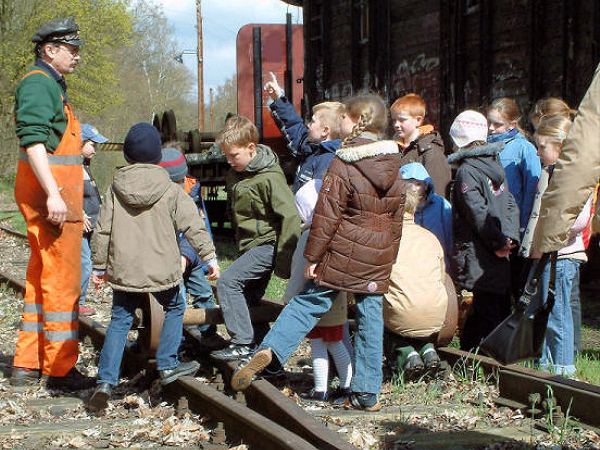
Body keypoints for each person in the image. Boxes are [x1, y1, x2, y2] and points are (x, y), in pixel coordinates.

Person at [231, 94, 406, 412]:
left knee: (308, 303)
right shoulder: (395, 165)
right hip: (377, 256)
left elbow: (326, 216)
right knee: (370, 320)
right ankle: (367, 393)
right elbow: (396, 220)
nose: (340, 120)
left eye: (344, 117)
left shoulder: (344, 162)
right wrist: (389, 257)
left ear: (355, 121)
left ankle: (271, 351)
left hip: (341, 251)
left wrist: (312, 257)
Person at [87, 123, 219, 411]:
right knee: (175, 307)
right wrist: (209, 257)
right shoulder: (170, 189)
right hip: (162, 269)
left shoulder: (114, 189)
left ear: (128, 156)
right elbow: (193, 225)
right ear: (158, 155)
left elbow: (102, 230)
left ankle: (105, 382)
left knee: (119, 321)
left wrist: (98, 267)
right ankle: (168, 364)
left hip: (125, 270)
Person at [11, 17, 93, 390]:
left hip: (53, 197)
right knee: (62, 283)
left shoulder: (48, 85)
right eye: (71, 49)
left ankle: (27, 364)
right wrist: (53, 194)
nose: (77, 56)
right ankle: (60, 369)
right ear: (50, 50)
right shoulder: (39, 84)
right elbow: (33, 142)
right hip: (54, 201)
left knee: (40, 279)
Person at [209, 115, 301, 362]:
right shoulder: (235, 174)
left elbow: (290, 217)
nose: (229, 161)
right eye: (226, 156)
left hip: (267, 246)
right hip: (249, 246)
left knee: (228, 283)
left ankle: (241, 342)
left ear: (251, 148)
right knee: (248, 301)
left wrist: (284, 261)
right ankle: (265, 357)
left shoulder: (270, 177)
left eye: (234, 156)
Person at [521, 115, 592, 377]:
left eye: (542, 147)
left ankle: (562, 369)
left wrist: (550, 232)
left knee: (558, 313)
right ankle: (546, 363)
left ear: (560, 148)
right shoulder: (551, 173)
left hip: (563, 255)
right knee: (545, 311)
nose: (537, 152)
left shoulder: (574, 177)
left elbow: (579, 220)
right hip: (548, 255)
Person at [447, 110, 519, 352]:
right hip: (498, 247)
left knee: (488, 309)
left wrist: (499, 243)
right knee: (489, 306)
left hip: (480, 251)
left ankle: (489, 359)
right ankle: (471, 356)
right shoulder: (494, 163)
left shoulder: (467, 171)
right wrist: (509, 238)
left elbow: (477, 212)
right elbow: (510, 203)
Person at [284, 179, 352, 402]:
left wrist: (289, 297)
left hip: (315, 299)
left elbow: (299, 270)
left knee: (322, 343)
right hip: (337, 297)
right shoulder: (340, 232)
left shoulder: (309, 236)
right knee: (333, 342)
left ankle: (334, 387)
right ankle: (337, 386)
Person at [383, 186, 457, 380]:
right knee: (414, 306)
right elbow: (441, 277)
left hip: (400, 317)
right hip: (435, 316)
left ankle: (404, 351)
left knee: (377, 304)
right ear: (414, 209)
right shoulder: (431, 238)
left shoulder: (386, 239)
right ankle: (427, 349)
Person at [159, 146, 220, 348]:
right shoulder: (157, 199)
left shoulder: (190, 194)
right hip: (168, 258)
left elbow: (197, 229)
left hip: (191, 254)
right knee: (178, 299)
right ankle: (177, 340)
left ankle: (209, 333)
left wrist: (206, 257)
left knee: (203, 293)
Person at [264, 71, 344, 193]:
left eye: (312, 121)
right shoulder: (313, 148)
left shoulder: (327, 162)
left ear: (325, 131)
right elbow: (295, 127)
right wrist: (278, 98)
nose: (308, 125)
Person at [487, 97, 541, 237]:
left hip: (512, 224)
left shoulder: (524, 148)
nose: (491, 128)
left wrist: (523, 226)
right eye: (489, 122)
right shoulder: (484, 147)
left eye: (497, 124)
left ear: (512, 125)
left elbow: (532, 190)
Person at [391, 93, 451, 198]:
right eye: (394, 120)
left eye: (402, 120)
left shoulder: (431, 153)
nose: (396, 124)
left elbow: (437, 195)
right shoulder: (393, 149)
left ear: (418, 120)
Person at [79, 124, 108, 316]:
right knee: (84, 263)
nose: (95, 150)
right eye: (92, 145)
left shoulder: (85, 166)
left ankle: (78, 300)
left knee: (87, 261)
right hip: (79, 226)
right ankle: (77, 303)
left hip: (90, 226)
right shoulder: (73, 166)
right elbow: (66, 192)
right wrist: (79, 214)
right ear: (79, 143)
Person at [399, 162, 453, 267]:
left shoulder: (441, 204)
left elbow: (450, 237)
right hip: (408, 262)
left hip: (438, 260)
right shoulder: (397, 206)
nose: (413, 188)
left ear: (426, 185)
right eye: (409, 183)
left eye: (418, 184)